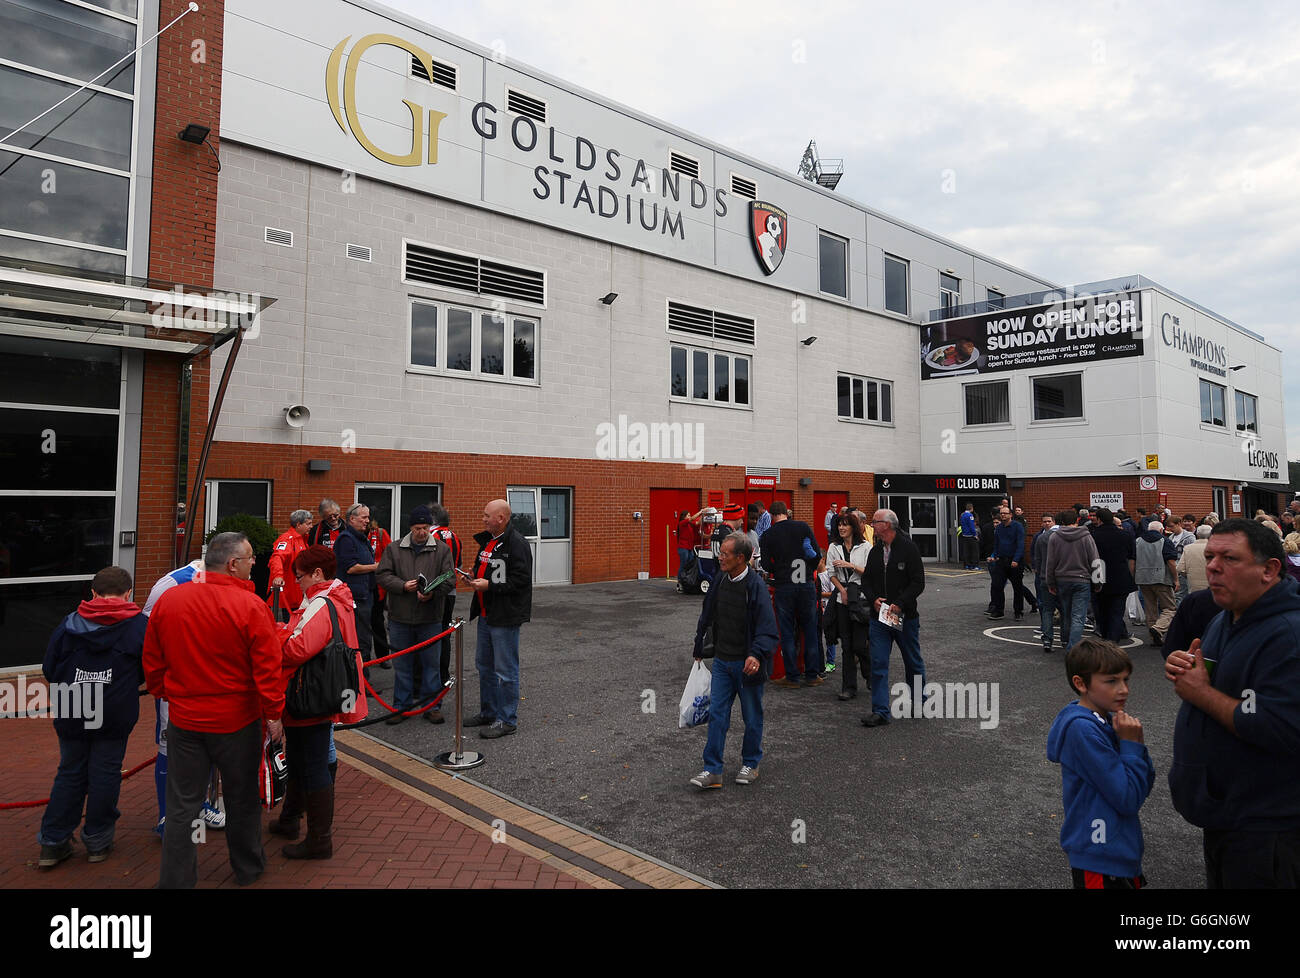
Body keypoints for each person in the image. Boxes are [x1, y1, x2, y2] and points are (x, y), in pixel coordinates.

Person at [143, 532, 284, 889]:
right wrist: (274, 714)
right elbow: (267, 669)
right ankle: (248, 867)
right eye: (251, 557)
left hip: (186, 719)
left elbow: (153, 661)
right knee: (242, 799)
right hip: (236, 722)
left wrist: (168, 693)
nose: (256, 563)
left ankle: (176, 880)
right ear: (233, 564)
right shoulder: (252, 607)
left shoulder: (171, 600)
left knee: (181, 806)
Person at [1166, 518, 1300, 887]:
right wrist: (1188, 667)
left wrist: (1201, 693)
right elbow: (1213, 679)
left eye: (1229, 558)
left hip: (1268, 831)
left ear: (1269, 570)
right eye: (1210, 556)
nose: (1212, 566)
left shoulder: (1288, 634)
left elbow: (1280, 727)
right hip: (1228, 819)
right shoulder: (1227, 617)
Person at [37, 566, 147, 869]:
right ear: (128, 594)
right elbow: (149, 667)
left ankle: (53, 842)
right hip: (115, 710)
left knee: (70, 772)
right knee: (106, 773)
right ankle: (98, 841)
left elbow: (49, 668)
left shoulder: (68, 624)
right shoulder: (139, 626)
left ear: (93, 593)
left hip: (73, 706)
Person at [270, 546, 368, 859]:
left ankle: (318, 839)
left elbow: (297, 649)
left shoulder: (321, 602)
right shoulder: (338, 597)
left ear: (316, 574)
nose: (296, 582)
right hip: (325, 690)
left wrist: (279, 636)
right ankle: (293, 821)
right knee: (304, 759)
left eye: (299, 576)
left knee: (311, 764)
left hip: (309, 694)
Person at [1046, 637, 1154, 889]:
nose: (1123, 689)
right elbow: (1128, 798)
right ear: (1080, 683)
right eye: (1111, 681)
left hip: (1115, 850)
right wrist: (1132, 746)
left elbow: (1141, 787)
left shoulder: (1108, 721)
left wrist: (1134, 745)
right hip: (1100, 855)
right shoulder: (1082, 730)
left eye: (1126, 679)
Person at [689, 532, 779, 788]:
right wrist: (699, 644)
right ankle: (712, 770)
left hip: (747, 665)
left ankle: (750, 763)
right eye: (721, 552)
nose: (720, 557)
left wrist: (756, 654)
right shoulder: (719, 580)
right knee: (717, 715)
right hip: (722, 661)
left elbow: (768, 628)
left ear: (741, 558)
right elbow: (707, 613)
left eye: (725, 554)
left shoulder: (755, 587)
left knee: (752, 717)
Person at [142, 555, 223, 835]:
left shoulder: (228, 581)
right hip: (176, 687)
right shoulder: (171, 583)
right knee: (171, 747)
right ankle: (167, 817)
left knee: (207, 745)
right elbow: (149, 635)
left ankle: (199, 805)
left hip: (212, 686)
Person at [375, 506, 455, 725]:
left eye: (426, 527)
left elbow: (449, 578)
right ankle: (402, 707)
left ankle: (432, 707)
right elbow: (382, 575)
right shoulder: (394, 549)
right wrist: (402, 586)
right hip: (400, 617)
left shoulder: (441, 550)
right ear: (410, 527)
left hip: (430, 617)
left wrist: (432, 593)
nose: (422, 532)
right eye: (418, 528)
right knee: (402, 665)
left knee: (431, 664)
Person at [464, 499, 533, 739]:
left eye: (486, 516)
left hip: (504, 617)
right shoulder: (489, 541)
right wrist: (473, 577)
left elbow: (520, 580)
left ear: (501, 518)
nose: (483, 519)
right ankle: (489, 712)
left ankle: (507, 720)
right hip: (485, 615)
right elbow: (484, 568)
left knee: (505, 670)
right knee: (485, 666)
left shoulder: (517, 543)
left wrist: (490, 585)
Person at [862, 509, 926, 727]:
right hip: (879, 617)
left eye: (875, 522)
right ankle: (880, 711)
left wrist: (900, 602)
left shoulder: (908, 548)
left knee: (912, 662)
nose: (872, 525)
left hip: (904, 616)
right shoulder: (875, 551)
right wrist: (873, 600)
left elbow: (918, 582)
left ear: (887, 525)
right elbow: (867, 580)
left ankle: (919, 703)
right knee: (878, 662)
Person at [760, 501, 823, 689]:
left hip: (784, 585)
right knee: (810, 630)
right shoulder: (802, 527)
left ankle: (792, 676)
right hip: (805, 583)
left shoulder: (768, 535)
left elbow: (765, 564)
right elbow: (816, 555)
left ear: (771, 516)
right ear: (787, 513)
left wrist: (779, 570)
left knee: (786, 632)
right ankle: (812, 675)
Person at [828, 512, 872, 701]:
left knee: (860, 645)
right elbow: (831, 573)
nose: (841, 528)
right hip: (842, 599)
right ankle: (849, 687)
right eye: (839, 525)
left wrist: (850, 565)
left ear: (853, 527)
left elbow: (870, 573)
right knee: (846, 646)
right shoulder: (833, 547)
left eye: (845, 525)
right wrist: (841, 591)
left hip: (860, 599)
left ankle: (870, 675)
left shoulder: (865, 547)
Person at [1045, 509, 1101, 655]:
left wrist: (1050, 582)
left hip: (1062, 579)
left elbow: (1050, 562)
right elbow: (1095, 560)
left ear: (1061, 522)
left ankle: (1066, 640)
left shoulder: (1054, 537)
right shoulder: (1086, 536)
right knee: (1078, 616)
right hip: (1082, 579)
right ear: (1077, 520)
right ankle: (1072, 648)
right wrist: (1098, 582)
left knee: (1066, 613)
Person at [333, 503, 380, 666]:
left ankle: (362, 677)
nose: (367, 521)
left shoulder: (361, 538)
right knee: (359, 639)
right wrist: (375, 567)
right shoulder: (346, 539)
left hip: (366, 594)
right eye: (364, 517)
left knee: (365, 638)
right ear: (352, 519)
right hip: (354, 598)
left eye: (368, 517)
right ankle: (359, 680)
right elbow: (351, 568)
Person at [1090, 508, 1136, 642]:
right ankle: (1113, 639)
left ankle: (1105, 635)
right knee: (1117, 611)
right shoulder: (1125, 535)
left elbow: (1092, 559)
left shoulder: (1093, 536)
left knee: (1102, 611)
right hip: (1121, 577)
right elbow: (1131, 556)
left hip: (1099, 576)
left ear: (1099, 519)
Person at [429, 503, 462, 691]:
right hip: (452, 590)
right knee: (445, 633)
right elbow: (457, 564)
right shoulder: (456, 537)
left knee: (431, 633)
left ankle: (434, 675)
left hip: (436, 590)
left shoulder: (432, 536)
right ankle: (444, 674)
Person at [986, 505, 1033, 621]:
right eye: (1001, 513)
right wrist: (994, 556)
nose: (1003, 515)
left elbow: (1020, 544)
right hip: (1001, 561)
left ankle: (1018, 612)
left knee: (1017, 587)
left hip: (1015, 561)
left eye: (1005, 513)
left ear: (1011, 515)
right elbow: (996, 545)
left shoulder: (1017, 527)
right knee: (997, 586)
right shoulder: (999, 528)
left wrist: (1016, 560)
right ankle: (999, 610)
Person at [1135, 521, 1178, 646]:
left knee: (1150, 608)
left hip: (1143, 578)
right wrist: (1175, 579)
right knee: (1170, 608)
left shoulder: (1137, 541)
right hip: (1161, 578)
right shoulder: (1165, 541)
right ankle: (1159, 628)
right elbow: (1171, 562)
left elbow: (1132, 560)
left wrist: (1134, 576)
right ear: (1161, 530)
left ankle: (1154, 636)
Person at [267, 509, 313, 617]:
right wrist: (278, 576)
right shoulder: (287, 539)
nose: (311, 526)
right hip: (289, 593)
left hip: (299, 592)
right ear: (298, 524)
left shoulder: (302, 540)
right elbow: (277, 558)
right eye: (308, 524)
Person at [1030, 513, 1061, 653]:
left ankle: (1048, 639)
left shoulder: (1042, 537)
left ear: (1053, 522)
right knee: (1052, 609)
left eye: (1049, 521)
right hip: (1051, 577)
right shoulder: (1041, 537)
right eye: (1044, 522)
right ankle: (1054, 638)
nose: (1047, 524)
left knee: (1049, 609)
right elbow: (1036, 557)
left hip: (1047, 577)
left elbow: (1037, 558)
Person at [367, 514, 394, 665]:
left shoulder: (380, 533)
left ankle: (383, 657)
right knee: (361, 624)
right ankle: (362, 659)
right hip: (362, 586)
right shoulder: (354, 535)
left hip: (378, 586)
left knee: (377, 622)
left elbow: (389, 555)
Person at [1178, 524, 1212, 593]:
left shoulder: (1188, 548)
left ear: (1197, 534)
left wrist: (1190, 575)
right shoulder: (1215, 548)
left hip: (1193, 585)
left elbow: (1180, 568)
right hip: (1212, 583)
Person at [958, 502, 980, 570]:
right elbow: (971, 526)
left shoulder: (962, 515)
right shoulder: (970, 515)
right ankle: (975, 565)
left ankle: (967, 565)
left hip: (964, 535)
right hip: (970, 536)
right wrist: (975, 535)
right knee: (974, 551)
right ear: (971, 508)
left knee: (966, 551)